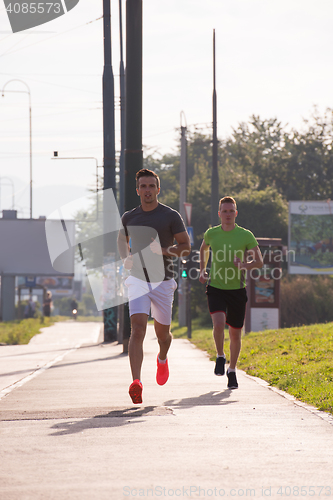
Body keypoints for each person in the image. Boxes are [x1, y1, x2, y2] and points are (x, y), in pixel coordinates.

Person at [118, 168, 191, 404]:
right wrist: (124, 257)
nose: (147, 190)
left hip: (164, 280)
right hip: (138, 278)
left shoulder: (170, 216)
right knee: (137, 328)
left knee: (163, 335)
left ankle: (162, 357)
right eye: (143, 186)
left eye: (151, 186)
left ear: (158, 189)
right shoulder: (129, 217)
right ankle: (136, 382)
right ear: (137, 189)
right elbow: (121, 239)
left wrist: (163, 250)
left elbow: (185, 247)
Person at [199, 196, 263, 389]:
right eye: (224, 211)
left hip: (237, 289)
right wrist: (202, 270)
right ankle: (220, 355)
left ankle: (232, 370)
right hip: (216, 286)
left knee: (235, 334)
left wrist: (243, 265)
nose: (228, 214)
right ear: (219, 214)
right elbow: (204, 250)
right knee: (218, 324)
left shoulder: (246, 235)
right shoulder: (211, 233)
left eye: (231, 211)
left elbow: (259, 261)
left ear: (236, 213)